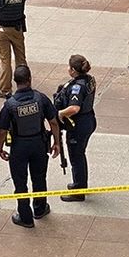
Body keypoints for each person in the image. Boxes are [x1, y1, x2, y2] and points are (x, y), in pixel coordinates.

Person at [0, 65, 61, 228]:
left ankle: (25, 217)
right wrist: (57, 142)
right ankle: (39, 209)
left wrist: (0, 148)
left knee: (20, 182)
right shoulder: (41, 98)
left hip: (19, 146)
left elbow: (2, 130)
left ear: (15, 82)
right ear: (30, 79)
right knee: (39, 178)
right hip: (39, 144)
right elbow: (53, 122)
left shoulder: (10, 104)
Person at [55, 55, 97, 201]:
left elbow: (74, 108)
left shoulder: (77, 88)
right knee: (80, 153)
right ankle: (80, 183)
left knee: (76, 156)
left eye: (69, 66)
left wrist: (60, 113)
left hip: (78, 125)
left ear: (73, 70)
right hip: (89, 120)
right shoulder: (89, 79)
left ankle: (79, 191)